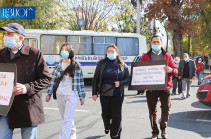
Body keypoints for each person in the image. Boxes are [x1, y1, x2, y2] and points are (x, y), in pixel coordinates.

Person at [0, 23, 51, 139]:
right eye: (5, 33)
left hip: (28, 106)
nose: (5, 36)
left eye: (9, 34)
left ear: (21, 37)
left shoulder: (35, 54)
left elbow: (46, 78)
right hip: (5, 106)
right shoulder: (0, 54)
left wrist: (26, 87)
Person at [140, 34, 178, 139]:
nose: (156, 44)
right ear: (151, 43)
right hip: (151, 89)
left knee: (166, 109)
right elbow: (140, 72)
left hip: (165, 88)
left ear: (161, 44)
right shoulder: (145, 57)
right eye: (154, 42)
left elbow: (176, 70)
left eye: (158, 42)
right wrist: (143, 85)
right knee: (152, 111)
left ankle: (163, 130)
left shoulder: (168, 56)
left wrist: (170, 70)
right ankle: (155, 132)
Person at [45, 43, 86, 139]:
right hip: (60, 94)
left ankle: (63, 137)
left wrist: (82, 96)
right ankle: (72, 132)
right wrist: (48, 94)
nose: (64, 51)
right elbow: (53, 81)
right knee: (65, 117)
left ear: (70, 52)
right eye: (62, 49)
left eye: (66, 50)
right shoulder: (58, 65)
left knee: (67, 118)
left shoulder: (76, 66)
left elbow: (80, 83)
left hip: (72, 94)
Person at [92, 44, 130, 139]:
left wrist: (120, 83)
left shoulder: (122, 65)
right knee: (105, 114)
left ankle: (115, 135)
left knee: (116, 115)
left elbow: (128, 78)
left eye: (112, 51)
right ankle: (107, 126)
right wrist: (94, 93)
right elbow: (95, 79)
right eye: (109, 51)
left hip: (117, 93)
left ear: (117, 53)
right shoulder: (101, 64)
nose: (110, 53)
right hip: (104, 93)